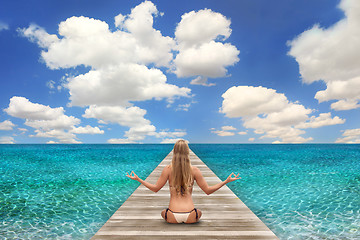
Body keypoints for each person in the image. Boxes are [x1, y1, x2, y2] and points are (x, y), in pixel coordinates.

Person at [126, 139, 241, 224]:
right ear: (188, 152)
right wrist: (225, 181)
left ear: (174, 152)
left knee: (162, 212)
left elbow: (155, 189)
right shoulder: (195, 170)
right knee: (199, 211)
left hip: (171, 215)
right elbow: (208, 191)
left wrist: (138, 179)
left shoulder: (167, 169)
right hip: (191, 215)